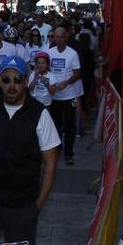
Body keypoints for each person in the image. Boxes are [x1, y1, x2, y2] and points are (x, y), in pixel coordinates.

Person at [0, 56, 60, 245]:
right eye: (6, 79)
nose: (12, 85)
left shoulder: (40, 114)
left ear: (26, 81)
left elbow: (50, 163)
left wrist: (37, 206)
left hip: (22, 205)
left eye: (17, 80)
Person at [45, 26, 83, 165]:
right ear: (54, 37)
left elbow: (77, 73)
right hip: (54, 97)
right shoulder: (49, 52)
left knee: (69, 125)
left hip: (69, 96)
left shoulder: (72, 54)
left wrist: (66, 82)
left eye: (62, 37)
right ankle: (57, 150)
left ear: (66, 37)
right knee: (55, 125)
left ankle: (69, 153)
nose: (59, 39)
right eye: (57, 37)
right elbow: (44, 69)